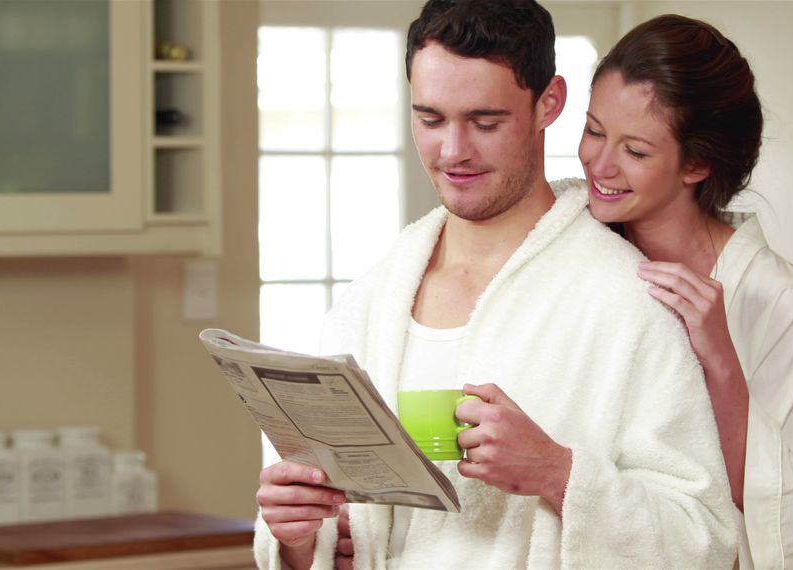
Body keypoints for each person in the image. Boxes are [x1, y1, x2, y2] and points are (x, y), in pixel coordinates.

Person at [254, 2, 739, 568]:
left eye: (485, 122)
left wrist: (557, 472)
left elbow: (704, 540)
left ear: (548, 103)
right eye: (430, 119)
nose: (453, 151)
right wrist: (296, 538)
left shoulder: (627, 303)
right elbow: (331, 540)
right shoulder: (369, 303)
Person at [573, 14, 793, 569]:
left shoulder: (778, 299)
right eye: (594, 131)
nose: (599, 165)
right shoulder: (571, 249)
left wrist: (721, 361)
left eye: (635, 151)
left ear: (697, 164)